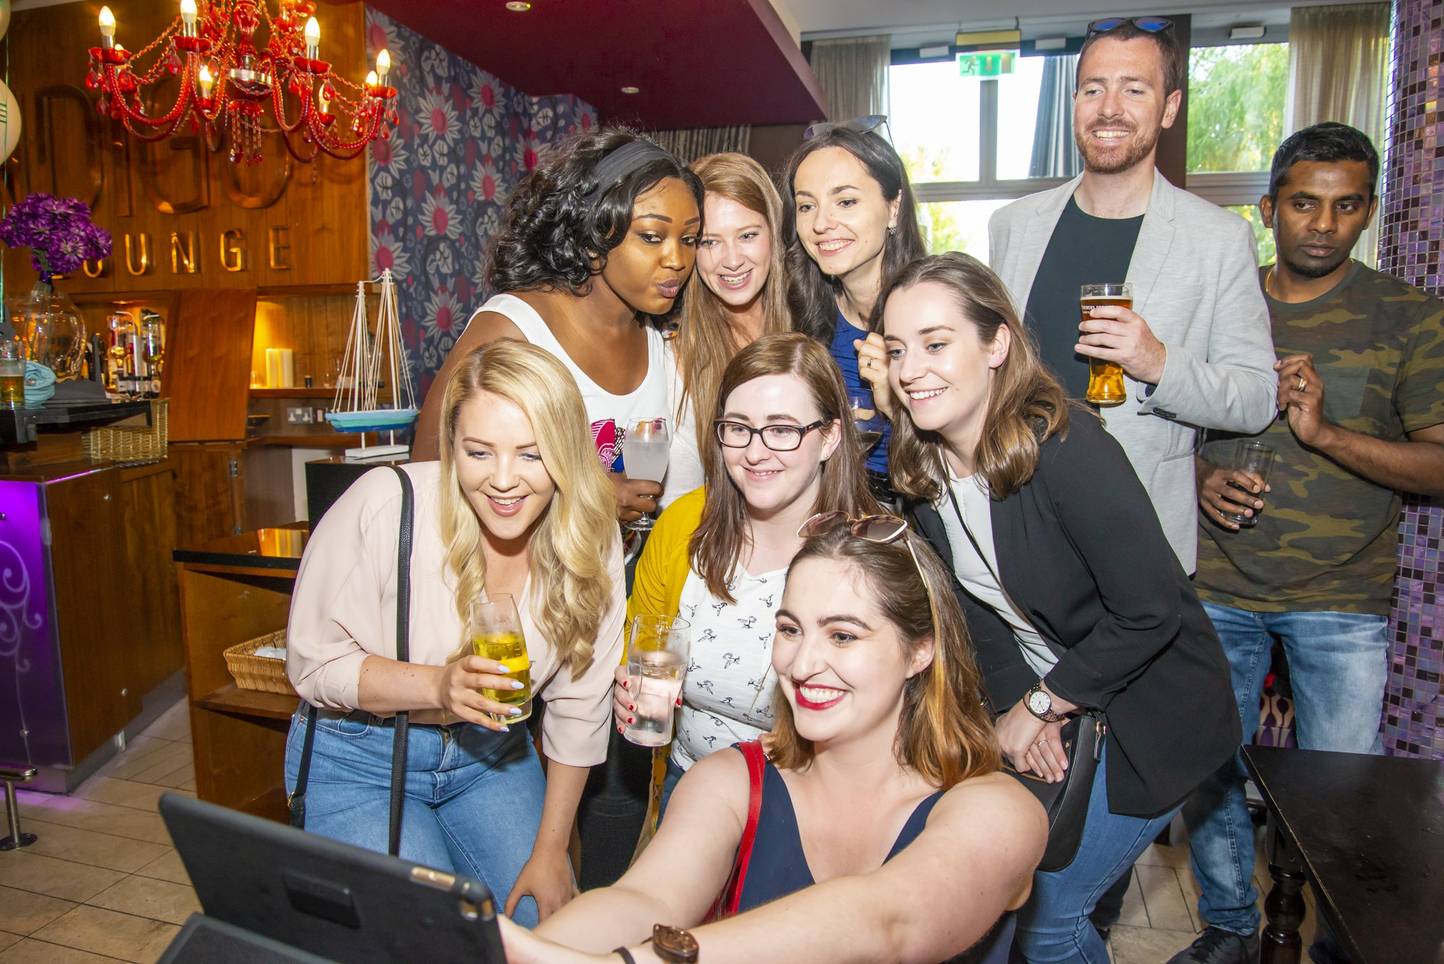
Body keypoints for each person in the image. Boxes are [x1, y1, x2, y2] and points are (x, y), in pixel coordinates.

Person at [881, 252, 1239, 963]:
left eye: (935, 342)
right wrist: (1025, 714)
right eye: (896, 349)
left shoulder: (1068, 447)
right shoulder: (924, 473)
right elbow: (979, 620)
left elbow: (1151, 610)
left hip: (1154, 709)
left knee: (1053, 920)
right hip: (1062, 701)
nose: (910, 368)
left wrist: (1045, 705)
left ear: (996, 345)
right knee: (999, 886)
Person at [502, 513, 1047, 964]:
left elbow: (889, 922)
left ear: (919, 651)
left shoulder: (998, 810)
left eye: (843, 635)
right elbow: (644, 899)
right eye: (790, 630)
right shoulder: (733, 780)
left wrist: (638, 961)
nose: (804, 663)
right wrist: (532, 949)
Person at [1170, 124, 1444, 964]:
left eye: (1345, 205)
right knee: (1208, 769)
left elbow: (1437, 463)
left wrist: (1324, 435)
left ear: (1367, 211)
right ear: (1269, 207)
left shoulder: (1408, 317)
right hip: (1217, 582)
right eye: (1303, 203)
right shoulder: (1224, 304)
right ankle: (1226, 927)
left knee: (1342, 793)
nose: (1322, 224)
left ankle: (1335, 947)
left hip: (1342, 598)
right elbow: (1163, 429)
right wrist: (1198, 480)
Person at [285, 340, 625, 927]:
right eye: (478, 452)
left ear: (566, 452)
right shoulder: (387, 505)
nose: (502, 481)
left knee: (549, 930)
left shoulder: (590, 537)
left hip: (490, 757)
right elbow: (313, 663)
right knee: (436, 937)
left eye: (531, 454)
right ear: (451, 446)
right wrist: (439, 686)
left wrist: (550, 852)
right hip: (360, 759)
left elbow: (578, 706)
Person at [987, 16, 1276, 573]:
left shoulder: (1217, 238)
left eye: (1134, 89)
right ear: (1075, 102)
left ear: (1169, 108)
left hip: (1137, 542)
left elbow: (1257, 397)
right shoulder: (1013, 227)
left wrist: (1158, 363)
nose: (1109, 108)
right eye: (1093, 89)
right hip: (1018, 519)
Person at [627, 332, 877, 814]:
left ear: (829, 437)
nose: (755, 452)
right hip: (686, 784)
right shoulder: (684, 524)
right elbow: (643, 638)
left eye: (782, 430)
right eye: (738, 427)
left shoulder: (868, 558)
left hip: (805, 805)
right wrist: (630, 685)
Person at [413, 130, 704, 526]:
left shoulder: (657, 340)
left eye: (689, 239)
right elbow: (427, 478)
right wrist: (583, 497)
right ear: (590, 238)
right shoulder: (513, 329)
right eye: (652, 237)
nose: (677, 259)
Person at [782, 117, 926, 499]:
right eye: (806, 206)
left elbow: (976, 455)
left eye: (845, 201)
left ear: (893, 207)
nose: (821, 224)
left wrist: (897, 404)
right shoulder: (802, 313)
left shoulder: (938, 316)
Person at [661, 152, 793, 508]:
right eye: (709, 242)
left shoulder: (814, 327)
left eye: (747, 235)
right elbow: (682, 504)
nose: (731, 260)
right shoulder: (677, 360)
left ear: (775, 234)